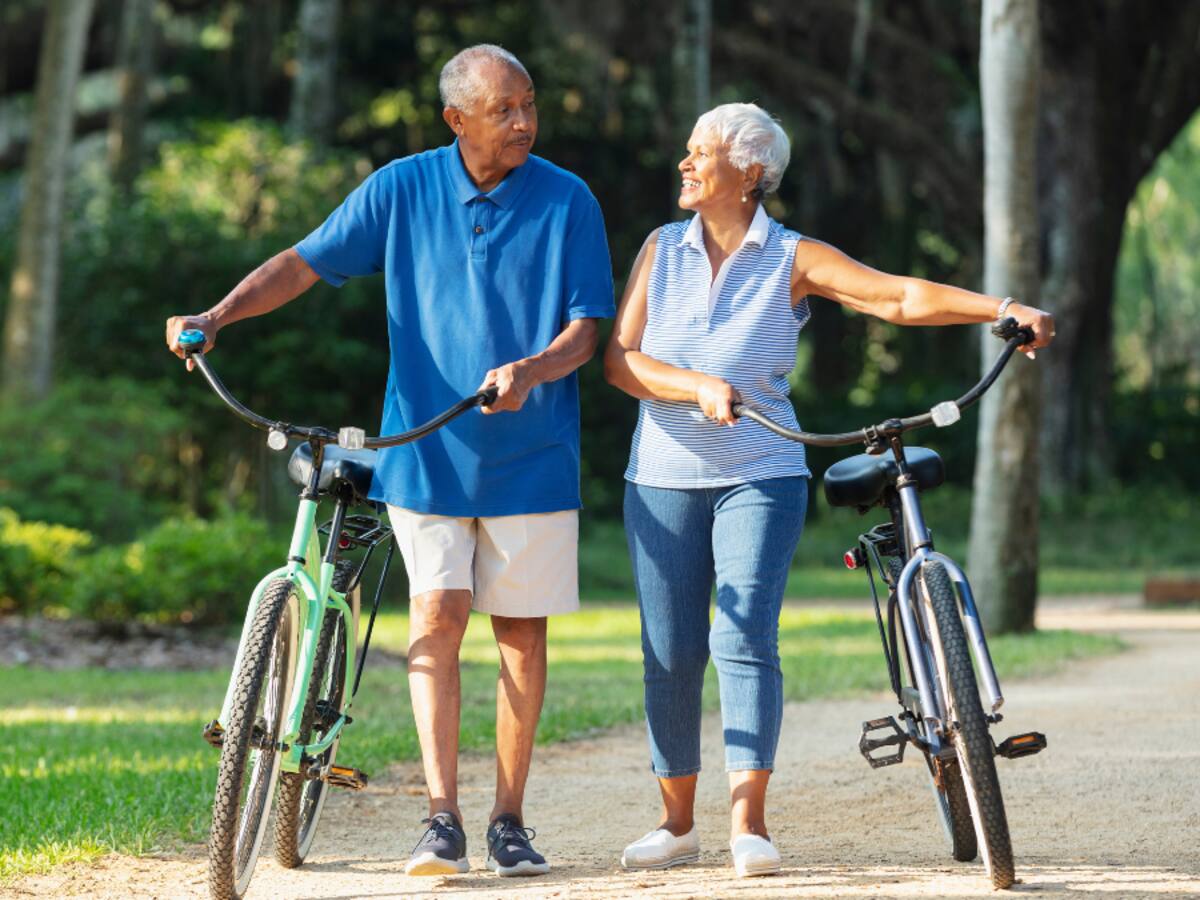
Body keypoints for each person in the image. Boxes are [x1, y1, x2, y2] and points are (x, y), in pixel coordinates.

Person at [166, 44, 614, 878]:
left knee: (519, 635)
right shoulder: (401, 187)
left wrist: (532, 370)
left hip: (533, 454)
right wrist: (219, 314)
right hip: (424, 450)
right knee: (436, 618)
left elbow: (587, 329)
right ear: (457, 120)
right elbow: (304, 261)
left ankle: (508, 820)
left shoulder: (569, 200)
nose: (523, 122)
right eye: (504, 109)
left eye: (529, 105)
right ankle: (440, 817)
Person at [603, 102, 1053, 878]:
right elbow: (621, 361)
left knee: (741, 638)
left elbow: (894, 297)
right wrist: (692, 385)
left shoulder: (790, 257)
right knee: (670, 653)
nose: (683, 164)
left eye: (698, 152)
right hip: (662, 477)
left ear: (749, 173)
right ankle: (677, 824)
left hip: (761, 472)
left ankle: (750, 824)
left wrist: (1000, 310)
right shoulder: (660, 249)